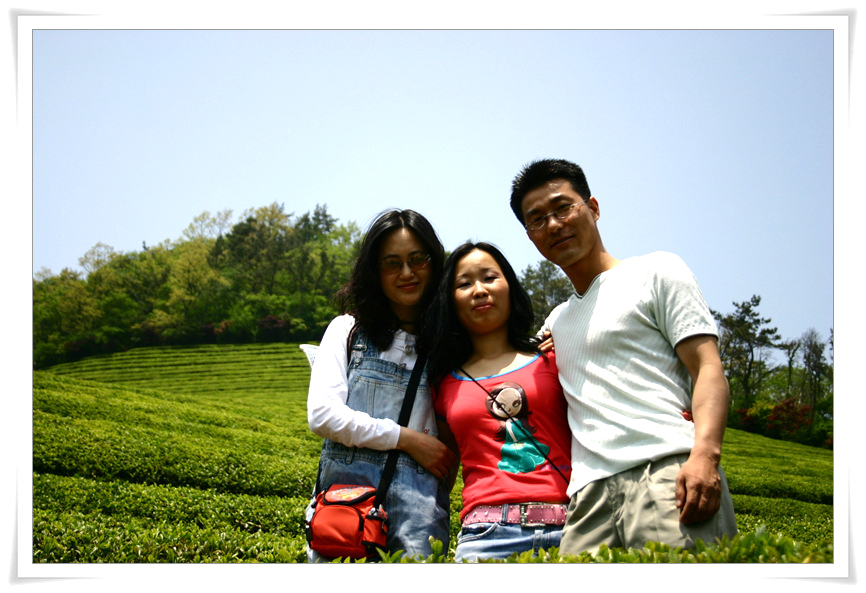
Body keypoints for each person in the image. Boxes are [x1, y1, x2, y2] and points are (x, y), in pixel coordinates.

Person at [509, 158, 737, 555]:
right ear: (530, 236)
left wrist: (704, 455)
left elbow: (707, 367)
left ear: (593, 208)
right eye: (538, 219)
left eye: (563, 208)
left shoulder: (656, 271)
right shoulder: (556, 323)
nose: (554, 224)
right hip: (587, 499)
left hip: (664, 473)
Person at [305, 209, 456, 561]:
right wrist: (408, 440)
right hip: (347, 508)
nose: (407, 273)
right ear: (375, 270)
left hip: (421, 512)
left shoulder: (450, 343)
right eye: (392, 263)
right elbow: (323, 415)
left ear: (434, 264)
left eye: (417, 259)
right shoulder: (347, 330)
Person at [422, 241, 572, 562]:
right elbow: (444, 468)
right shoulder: (441, 383)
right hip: (485, 535)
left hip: (569, 526)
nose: (479, 290)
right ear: (450, 301)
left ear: (510, 288)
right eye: (464, 284)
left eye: (490, 278)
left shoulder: (554, 358)